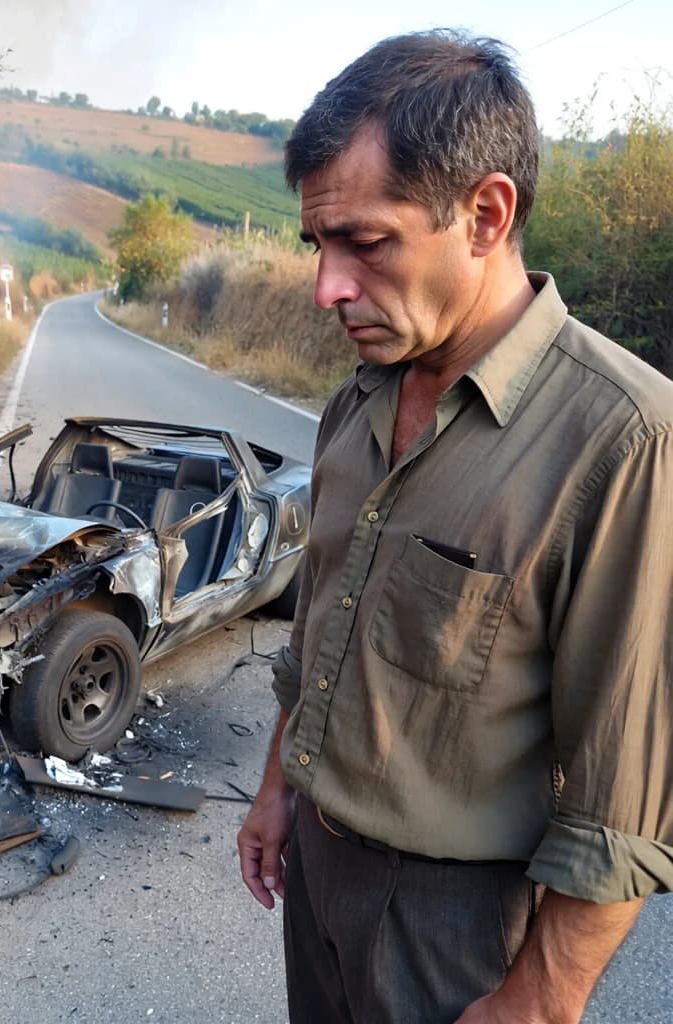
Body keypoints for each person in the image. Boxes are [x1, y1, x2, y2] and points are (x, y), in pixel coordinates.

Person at [236, 29, 673, 1024]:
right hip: (318, 867)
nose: (327, 288)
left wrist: (539, 999)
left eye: (367, 242)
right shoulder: (356, 404)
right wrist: (275, 792)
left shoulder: (622, 438)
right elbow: (315, 641)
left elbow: (624, 795)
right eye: (319, 245)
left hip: (454, 929)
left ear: (484, 214)